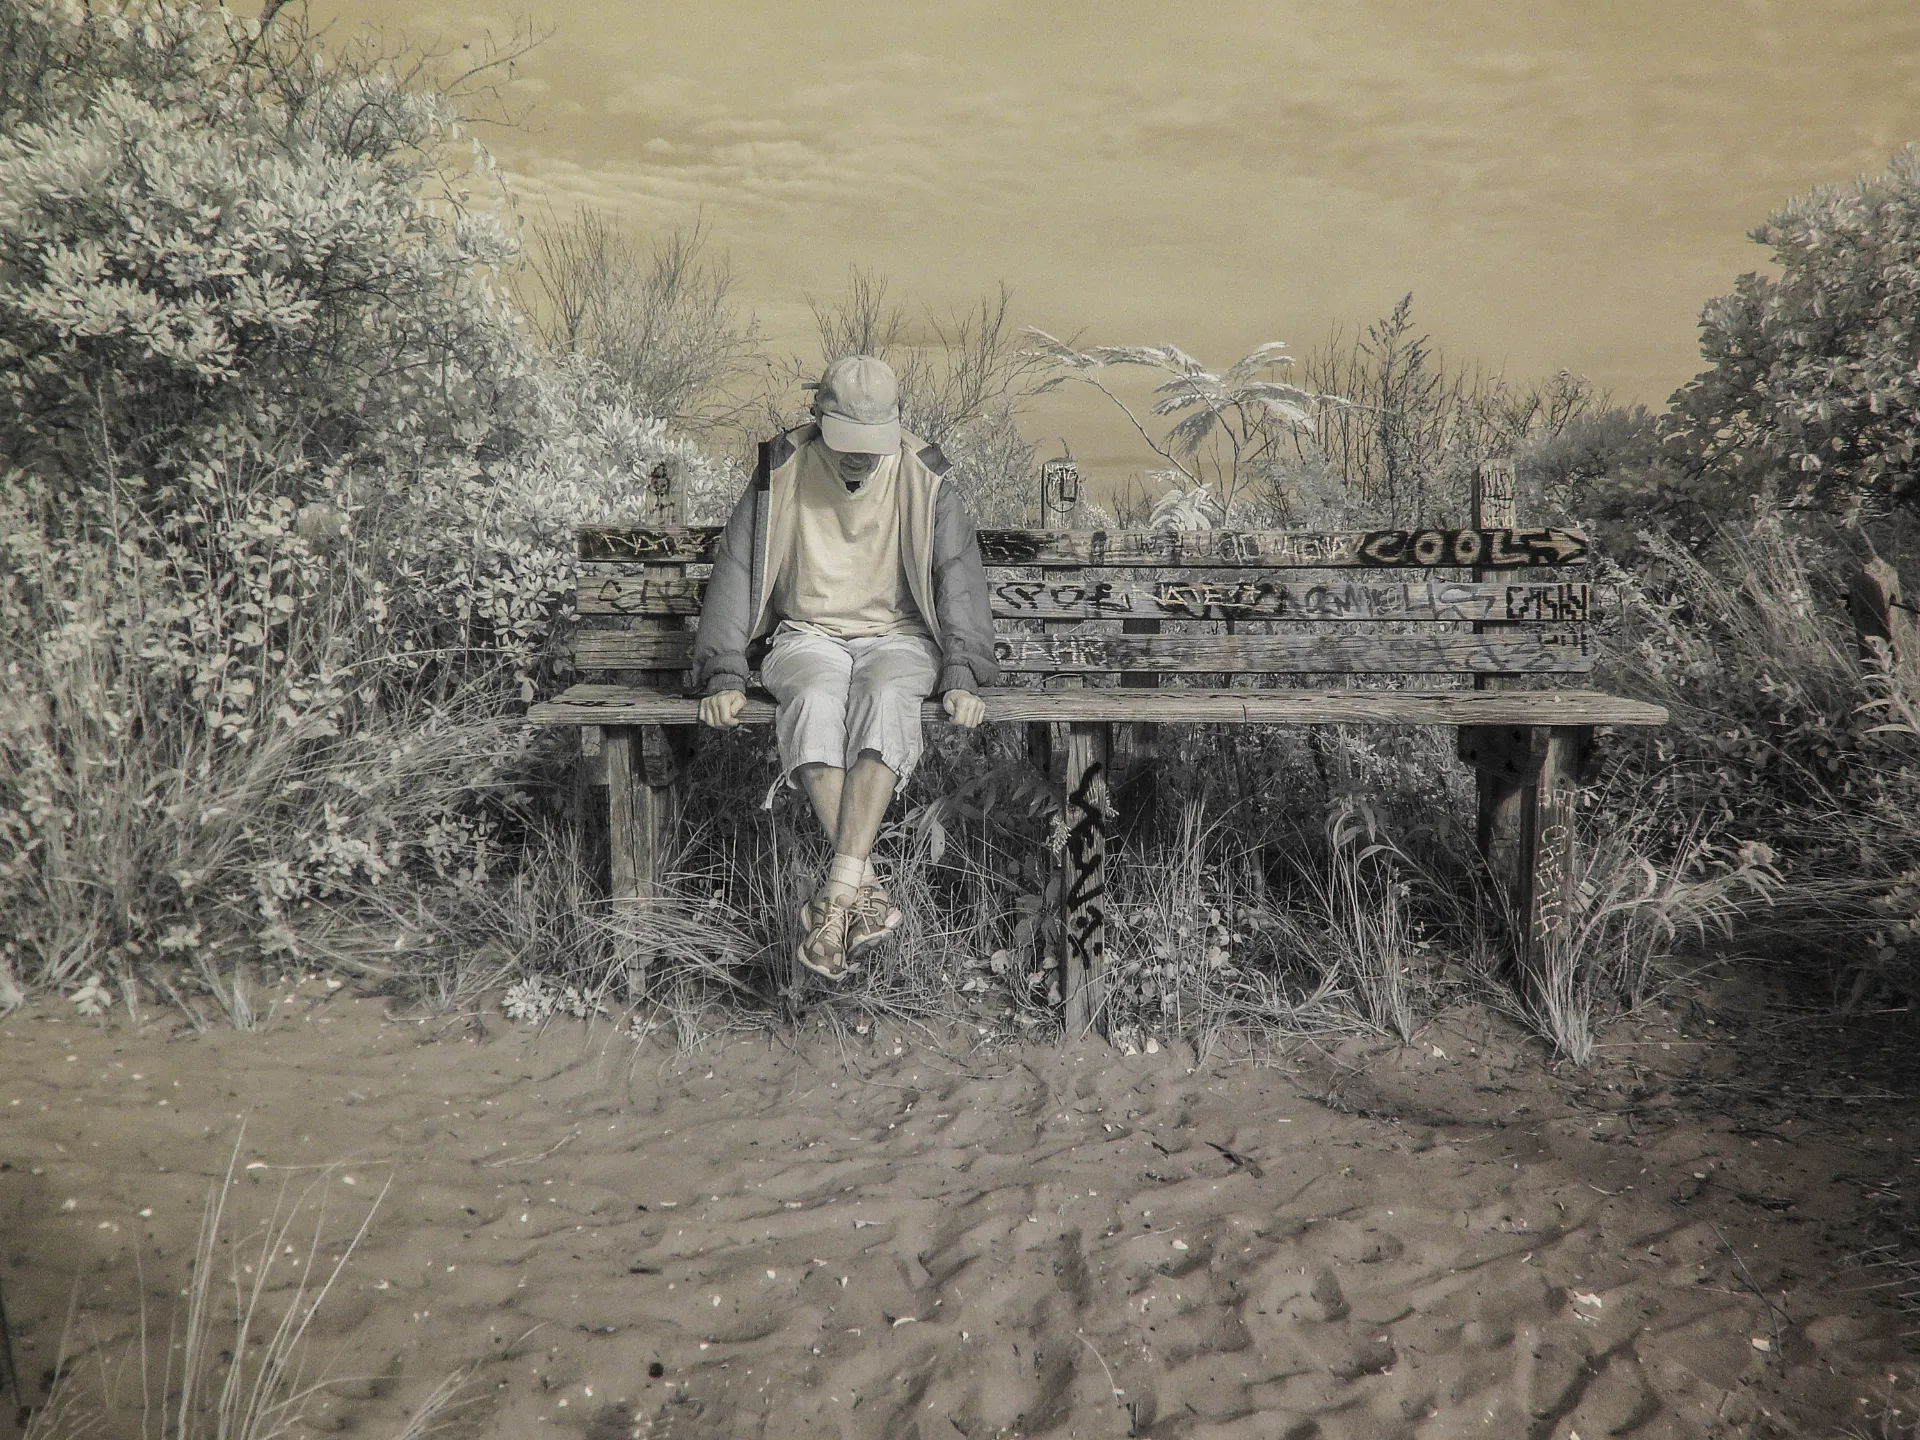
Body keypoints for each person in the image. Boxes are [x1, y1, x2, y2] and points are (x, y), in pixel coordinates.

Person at [689, 355, 1000, 980]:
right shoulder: (781, 469)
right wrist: (724, 672)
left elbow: (957, 578)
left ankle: (834, 901)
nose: (859, 455)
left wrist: (962, 673)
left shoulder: (925, 477)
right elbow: (737, 568)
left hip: (899, 638)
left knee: (885, 696)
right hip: (806, 634)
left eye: (872, 440)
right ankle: (864, 889)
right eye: (846, 439)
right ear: (817, 418)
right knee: (812, 698)